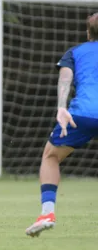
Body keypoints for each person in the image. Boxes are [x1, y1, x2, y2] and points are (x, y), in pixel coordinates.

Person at [25, 13, 98, 237]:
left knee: (51, 156)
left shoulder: (74, 53)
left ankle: (47, 213)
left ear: (88, 33)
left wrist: (61, 107)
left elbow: (65, 79)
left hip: (82, 114)